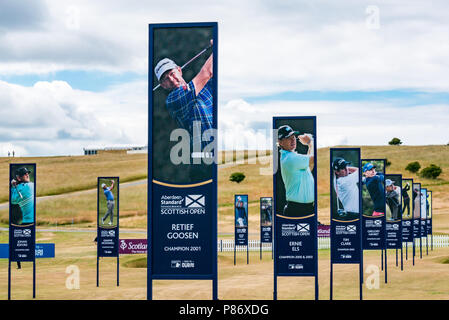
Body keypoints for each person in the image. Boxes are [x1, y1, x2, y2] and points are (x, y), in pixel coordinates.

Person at [154, 41, 213, 152]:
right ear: (163, 86)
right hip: (201, 157)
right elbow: (207, 72)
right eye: (165, 79)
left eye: (171, 73)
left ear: (179, 70)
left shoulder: (204, 85)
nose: (171, 79)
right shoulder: (173, 100)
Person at [277, 125, 314, 217]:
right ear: (280, 142)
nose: (293, 140)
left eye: (293, 137)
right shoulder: (290, 158)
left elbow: (309, 166)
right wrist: (310, 142)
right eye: (288, 138)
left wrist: (310, 145)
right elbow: (313, 159)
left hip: (307, 209)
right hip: (297, 210)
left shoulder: (292, 156)